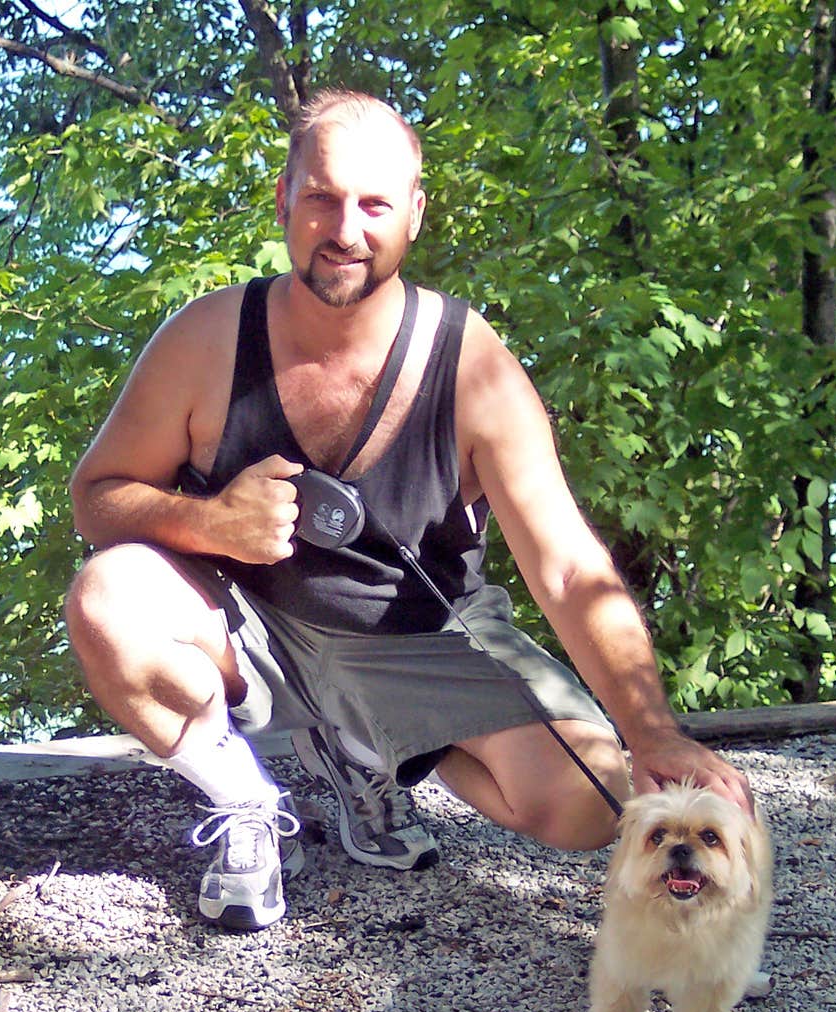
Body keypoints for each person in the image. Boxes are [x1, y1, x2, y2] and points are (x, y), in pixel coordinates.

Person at [65, 88, 752, 931]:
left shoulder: (473, 367)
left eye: (374, 205)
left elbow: (570, 568)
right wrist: (208, 525)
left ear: (416, 215)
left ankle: (368, 754)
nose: (344, 230)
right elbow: (96, 499)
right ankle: (246, 799)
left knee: (592, 800)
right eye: (321, 198)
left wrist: (654, 734)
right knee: (107, 596)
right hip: (249, 631)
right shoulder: (205, 339)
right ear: (283, 199)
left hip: (420, 644)